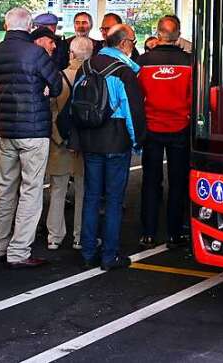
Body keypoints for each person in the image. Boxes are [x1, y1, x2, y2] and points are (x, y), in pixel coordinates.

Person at [0, 7, 62, 269]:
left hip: (6, 130)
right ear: (30, 26)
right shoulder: (36, 53)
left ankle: (1, 245)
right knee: (30, 191)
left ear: (7, 26)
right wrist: (42, 89)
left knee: (5, 189)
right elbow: (56, 86)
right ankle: (19, 251)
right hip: (33, 131)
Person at [77, 23, 146, 270]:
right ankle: (109, 256)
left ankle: (87, 251)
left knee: (91, 196)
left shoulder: (86, 66)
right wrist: (138, 141)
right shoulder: (123, 72)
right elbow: (132, 112)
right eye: (134, 42)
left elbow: (76, 105)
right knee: (114, 200)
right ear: (124, 43)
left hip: (90, 139)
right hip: (116, 140)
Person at [136, 16, 193, 248]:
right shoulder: (190, 62)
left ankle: (148, 232)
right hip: (180, 127)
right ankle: (174, 232)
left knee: (151, 181)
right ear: (178, 35)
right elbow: (194, 96)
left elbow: (137, 95)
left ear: (158, 34)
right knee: (178, 182)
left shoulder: (143, 61)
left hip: (151, 128)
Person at [45, 36, 90, 250]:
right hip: (85, 143)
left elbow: (50, 109)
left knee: (57, 190)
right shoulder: (94, 77)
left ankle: (54, 237)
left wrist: (57, 136)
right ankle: (79, 236)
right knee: (84, 191)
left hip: (59, 141)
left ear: (71, 54)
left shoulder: (58, 77)